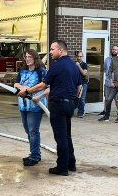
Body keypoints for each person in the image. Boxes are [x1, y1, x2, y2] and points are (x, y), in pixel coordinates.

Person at [18, 40, 82, 176]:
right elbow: (79, 86)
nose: (50, 52)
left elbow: (43, 85)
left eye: (52, 49)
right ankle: (71, 163)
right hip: (69, 104)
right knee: (67, 135)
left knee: (61, 138)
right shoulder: (73, 65)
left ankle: (62, 167)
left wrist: (28, 91)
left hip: (58, 105)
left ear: (60, 50)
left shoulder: (57, 66)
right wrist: (73, 100)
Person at [14, 49, 49, 166]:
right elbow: (16, 84)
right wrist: (23, 88)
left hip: (35, 106)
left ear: (35, 58)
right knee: (27, 130)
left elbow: (45, 86)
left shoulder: (41, 71)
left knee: (33, 131)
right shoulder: (22, 71)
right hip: (23, 105)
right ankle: (34, 152)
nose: (27, 59)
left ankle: (35, 156)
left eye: (29, 56)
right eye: (26, 57)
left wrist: (31, 92)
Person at [98, 44, 118, 123]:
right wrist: (111, 81)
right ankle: (106, 116)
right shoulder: (113, 60)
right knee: (108, 99)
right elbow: (109, 71)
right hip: (115, 83)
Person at [98, 45, 118, 116]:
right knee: (107, 98)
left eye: (115, 49)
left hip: (117, 83)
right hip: (108, 83)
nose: (114, 50)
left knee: (117, 99)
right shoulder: (107, 59)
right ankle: (105, 111)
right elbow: (105, 70)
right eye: (113, 49)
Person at [75, 51, 88, 118]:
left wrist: (78, 66)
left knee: (82, 98)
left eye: (80, 56)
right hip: (75, 84)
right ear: (76, 56)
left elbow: (84, 73)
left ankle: (81, 112)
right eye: (78, 56)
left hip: (83, 83)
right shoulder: (73, 64)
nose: (79, 58)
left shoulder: (84, 64)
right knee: (76, 98)